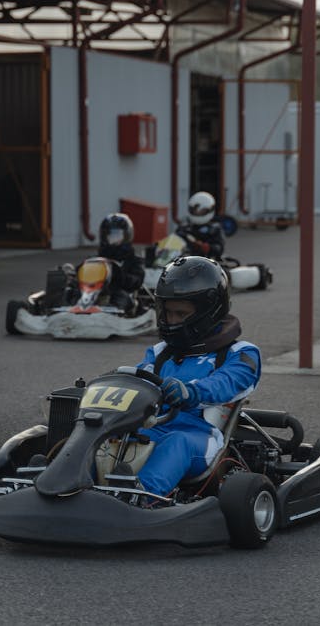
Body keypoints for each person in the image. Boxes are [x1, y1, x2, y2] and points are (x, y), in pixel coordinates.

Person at [132, 255, 261, 497]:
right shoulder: (160, 353)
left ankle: (142, 499)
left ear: (209, 312)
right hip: (153, 428)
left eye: (181, 314)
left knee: (176, 442)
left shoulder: (240, 353)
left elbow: (226, 383)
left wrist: (191, 392)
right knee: (112, 437)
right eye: (167, 312)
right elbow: (141, 379)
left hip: (200, 438)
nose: (171, 321)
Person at [95, 213, 146, 311]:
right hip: (95, 293)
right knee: (73, 293)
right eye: (109, 236)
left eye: (117, 236)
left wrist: (118, 275)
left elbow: (136, 281)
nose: (112, 240)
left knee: (120, 297)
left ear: (127, 236)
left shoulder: (134, 261)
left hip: (122, 294)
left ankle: (113, 313)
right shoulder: (97, 260)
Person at [175, 191, 226, 261]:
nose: (197, 212)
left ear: (209, 210)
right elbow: (174, 239)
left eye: (201, 211)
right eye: (195, 210)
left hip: (205, 263)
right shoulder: (185, 226)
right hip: (184, 261)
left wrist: (205, 247)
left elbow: (219, 248)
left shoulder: (214, 228)